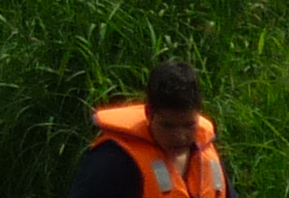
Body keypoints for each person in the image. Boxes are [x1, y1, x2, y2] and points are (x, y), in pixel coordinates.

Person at [68, 60, 237, 198]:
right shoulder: (113, 161)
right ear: (149, 113)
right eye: (168, 126)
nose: (179, 137)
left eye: (189, 125)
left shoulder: (206, 154)